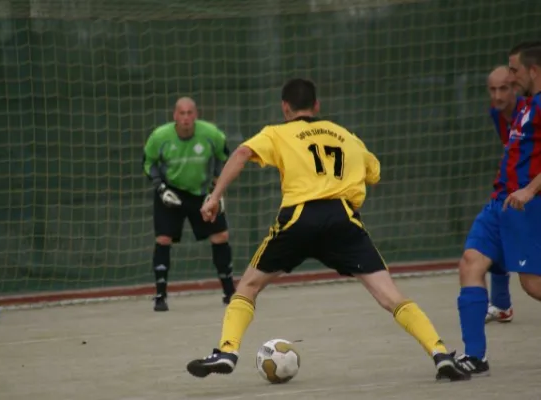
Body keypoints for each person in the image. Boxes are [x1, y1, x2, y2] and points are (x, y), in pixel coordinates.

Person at [185, 78, 470, 381]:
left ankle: (228, 351)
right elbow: (374, 172)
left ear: (285, 108)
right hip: (342, 218)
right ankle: (439, 352)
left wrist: (214, 197)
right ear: (317, 106)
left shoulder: (277, 132)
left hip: (299, 218)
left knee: (249, 287)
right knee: (391, 296)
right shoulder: (345, 135)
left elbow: (241, 153)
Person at [454, 41, 541, 376]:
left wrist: (531, 189)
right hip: (498, 204)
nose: (510, 75)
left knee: (533, 285)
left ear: (532, 71)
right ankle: (476, 357)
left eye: (514, 70)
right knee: (470, 263)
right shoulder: (523, 107)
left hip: (526, 207)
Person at [143, 97, 235, 312]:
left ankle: (230, 293)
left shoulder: (212, 134)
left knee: (221, 236)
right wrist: (160, 187)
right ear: (174, 116)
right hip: (171, 193)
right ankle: (160, 295)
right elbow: (148, 163)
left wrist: (216, 185)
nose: (186, 118)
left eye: (190, 113)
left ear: (196, 115)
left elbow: (225, 158)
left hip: (201, 193)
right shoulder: (160, 137)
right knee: (163, 239)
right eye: (181, 113)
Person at [485, 66, 527, 323]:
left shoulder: (532, 110)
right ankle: (501, 304)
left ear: (515, 88)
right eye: (493, 89)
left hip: (534, 189)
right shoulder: (496, 113)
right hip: (517, 190)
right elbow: (510, 149)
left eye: (503, 89)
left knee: (532, 281)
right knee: (494, 237)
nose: (497, 95)